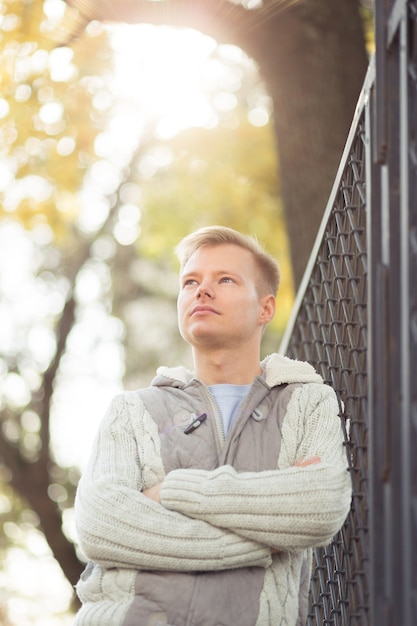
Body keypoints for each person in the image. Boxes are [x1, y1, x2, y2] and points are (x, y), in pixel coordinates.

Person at [74, 225, 352, 626]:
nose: (201, 291)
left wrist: (170, 491)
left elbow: (321, 504)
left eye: (225, 279)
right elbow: (100, 526)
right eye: (190, 281)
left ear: (265, 308)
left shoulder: (307, 401)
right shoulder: (131, 411)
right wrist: (263, 540)